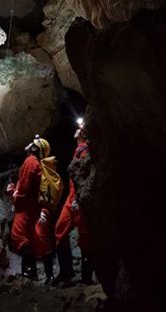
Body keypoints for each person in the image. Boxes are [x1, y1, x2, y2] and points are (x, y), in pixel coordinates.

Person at [7, 136, 55, 284]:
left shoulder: (30, 162)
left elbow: (25, 187)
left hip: (26, 207)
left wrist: (15, 197)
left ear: (35, 148)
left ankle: (30, 273)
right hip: (32, 207)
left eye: (32, 144)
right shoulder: (36, 163)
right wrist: (15, 191)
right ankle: (36, 274)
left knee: (19, 237)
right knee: (32, 238)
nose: (28, 145)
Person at [54, 118, 93, 285]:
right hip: (71, 198)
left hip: (80, 200)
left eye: (82, 127)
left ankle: (86, 278)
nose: (78, 128)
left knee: (85, 239)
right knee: (59, 231)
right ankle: (66, 273)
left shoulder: (86, 150)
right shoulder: (78, 149)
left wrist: (80, 199)